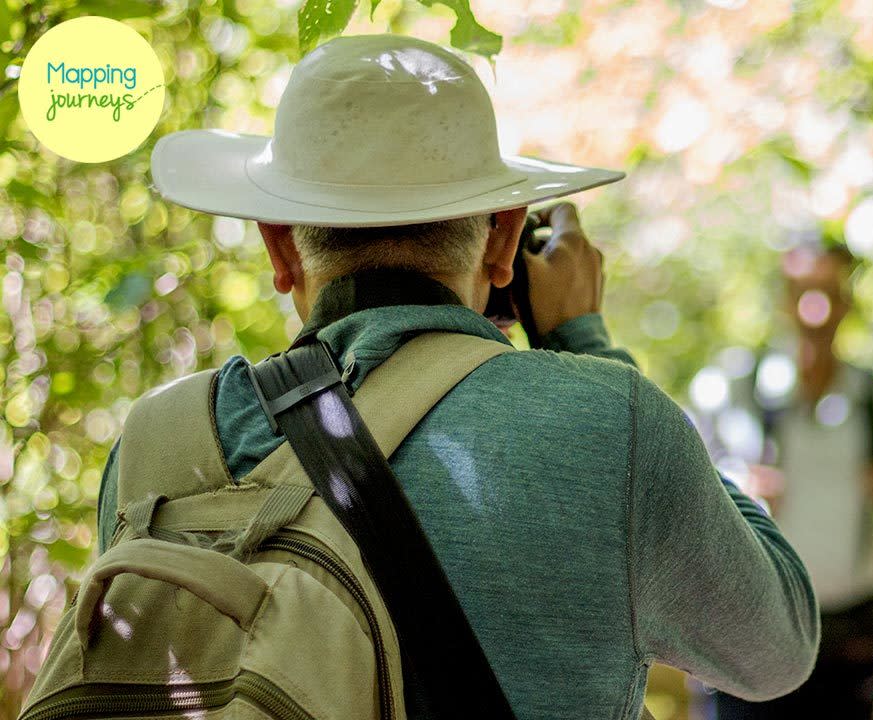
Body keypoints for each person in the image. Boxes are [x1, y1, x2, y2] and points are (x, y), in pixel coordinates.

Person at [95, 35, 819, 719]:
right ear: (504, 239)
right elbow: (777, 649)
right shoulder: (608, 424)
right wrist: (588, 345)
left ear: (278, 248)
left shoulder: (162, 441)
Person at [709, 244, 873, 719]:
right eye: (803, 293)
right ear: (783, 299)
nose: (814, 310)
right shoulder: (733, 386)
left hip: (851, 627)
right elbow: (686, 488)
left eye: (828, 293)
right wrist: (737, 487)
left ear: (848, 302)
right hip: (753, 626)